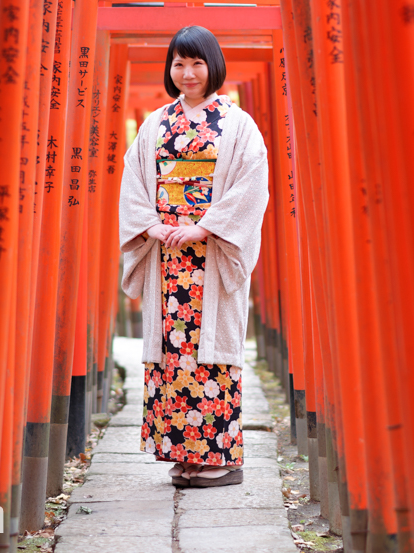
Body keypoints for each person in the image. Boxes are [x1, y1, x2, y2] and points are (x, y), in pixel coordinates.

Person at [117, 25, 270, 488]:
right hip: (168, 256)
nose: (187, 73)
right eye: (179, 63)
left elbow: (251, 184)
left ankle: (219, 460)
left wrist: (206, 225)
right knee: (171, 356)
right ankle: (184, 456)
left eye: (197, 63)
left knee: (212, 358)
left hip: (212, 254)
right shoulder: (155, 125)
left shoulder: (237, 124)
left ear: (213, 67)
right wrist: (152, 225)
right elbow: (134, 182)